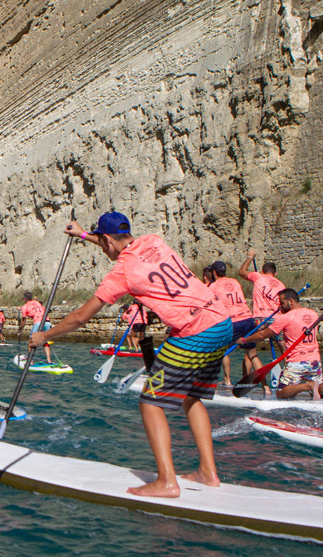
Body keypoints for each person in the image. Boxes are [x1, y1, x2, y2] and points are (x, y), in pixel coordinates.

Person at [29, 212, 232, 498]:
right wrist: (85, 235)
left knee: (150, 401)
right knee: (190, 397)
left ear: (108, 239)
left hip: (194, 331)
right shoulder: (154, 241)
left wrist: (45, 336)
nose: (103, 249)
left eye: (102, 243)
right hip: (221, 322)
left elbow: (81, 317)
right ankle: (208, 473)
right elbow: (117, 244)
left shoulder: (121, 272)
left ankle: (167, 481)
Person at [238, 288, 323, 401]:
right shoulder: (313, 314)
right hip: (315, 360)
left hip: (296, 361)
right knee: (318, 391)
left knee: (280, 393)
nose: (280, 307)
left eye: (282, 303)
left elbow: (262, 335)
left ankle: (309, 386)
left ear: (291, 301)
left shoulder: (286, 317)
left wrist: (244, 340)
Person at [209, 260, 265, 392]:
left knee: (217, 352)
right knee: (252, 354)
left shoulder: (213, 286)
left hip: (233, 322)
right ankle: (266, 388)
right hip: (247, 319)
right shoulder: (235, 281)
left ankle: (212, 387)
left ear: (214, 273)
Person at [238, 250, 285, 357]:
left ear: (262, 271)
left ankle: (248, 371)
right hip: (276, 319)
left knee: (250, 349)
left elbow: (241, 272)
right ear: (275, 273)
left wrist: (250, 256)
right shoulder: (282, 285)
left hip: (260, 319)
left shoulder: (258, 276)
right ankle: (289, 367)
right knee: (283, 347)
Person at [21, 291, 52, 362]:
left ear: (25, 299)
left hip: (38, 322)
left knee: (31, 342)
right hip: (47, 321)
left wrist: (20, 330)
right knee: (45, 342)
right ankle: (49, 359)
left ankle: (30, 361)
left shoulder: (24, 307)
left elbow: (23, 322)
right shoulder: (37, 302)